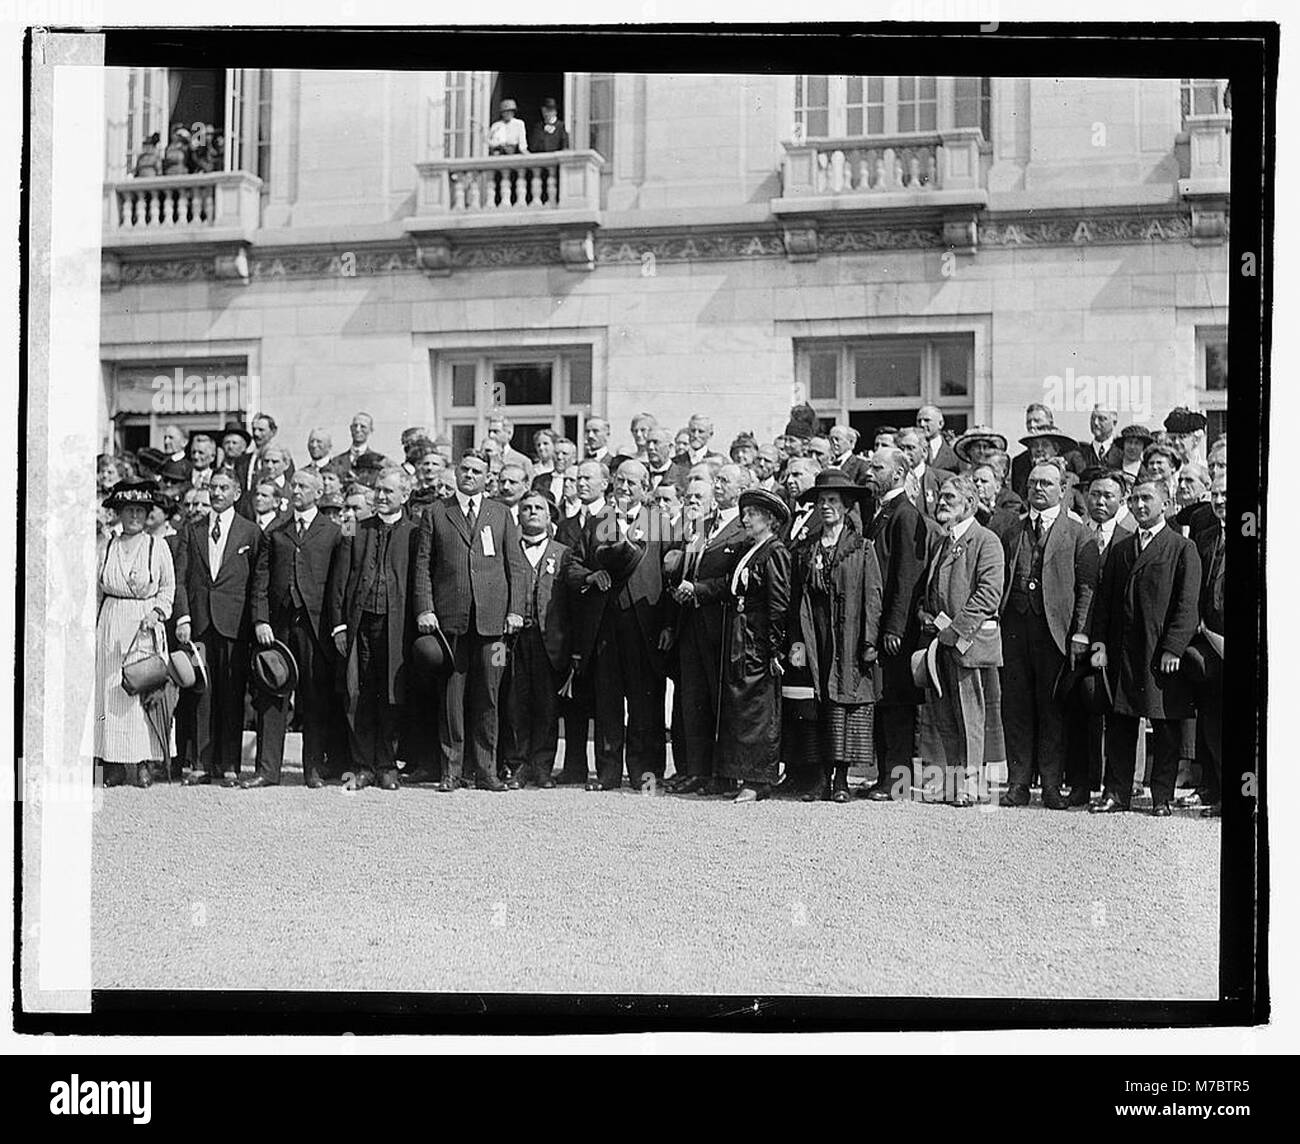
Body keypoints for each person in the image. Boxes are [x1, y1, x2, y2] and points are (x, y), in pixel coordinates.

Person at [413, 449, 526, 791]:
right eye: (464, 469)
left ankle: (486, 769)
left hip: (494, 627)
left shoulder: (501, 513)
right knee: (452, 694)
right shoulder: (436, 512)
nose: (469, 475)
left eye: (477, 471)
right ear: (455, 472)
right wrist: (425, 608)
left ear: (487, 477)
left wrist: (515, 610)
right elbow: (423, 566)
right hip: (451, 622)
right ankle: (452, 769)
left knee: (490, 694)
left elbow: (516, 566)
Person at [1089, 478, 1202, 816]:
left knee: (1164, 724)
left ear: (1165, 505)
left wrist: (1174, 648)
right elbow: (1105, 602)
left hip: (1159, 652)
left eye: (1147, 499)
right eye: (1135, 499)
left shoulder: (1181, 548)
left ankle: (1161, 797)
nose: (1139, 505)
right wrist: (1100, 645)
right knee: (1121, 722)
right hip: (1123, 650)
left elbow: (1188, 603)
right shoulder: (1122, 549)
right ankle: (1116, 793)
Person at [565, 460, 672, 791]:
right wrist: (590, 576)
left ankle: (647, 774)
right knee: (608, 703)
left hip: (645, 624)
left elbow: (671, 578)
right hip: (606, 626)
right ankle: (608, 774)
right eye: (620, 482)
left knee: (645, 703)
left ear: (646, 487)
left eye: (633, 483)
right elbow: (572, 563)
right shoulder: (599, 521)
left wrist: (668, 623)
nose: (625, 488)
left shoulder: (660, 524)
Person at [998, 460, 1099, 810]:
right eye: (1033, 483)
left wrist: (1080, 633)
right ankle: (1019, 783)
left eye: (1046, 483)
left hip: (1055, 631)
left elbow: (1087, 588)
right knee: (1016, 708)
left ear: (1063, 490)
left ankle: (1052, 785)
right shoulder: (1012, 529)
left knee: (1053, 708)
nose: (1038, 488)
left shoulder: (1077, 532)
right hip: (1015, 629)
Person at [788, 470, 884, 803]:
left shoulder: (861, 547)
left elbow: (873, 595)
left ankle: (841, 779)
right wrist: (796, 645)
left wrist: (870, 641)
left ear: (844, 506)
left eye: (832, 501)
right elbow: (795, 598)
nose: (826, 507)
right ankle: (818, 780)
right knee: (816, 703)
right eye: (821, 501)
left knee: (844, 704)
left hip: (848, 636)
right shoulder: (806, 548)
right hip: (814, 634)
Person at [246, 469, 345, 789]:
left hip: (315, 627)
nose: (296, 489)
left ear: (318, 493)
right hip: (278, 627)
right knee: (272, 694)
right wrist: (261, 619)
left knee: (315, 697)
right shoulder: (276, 531)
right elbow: (260, 581)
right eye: (295, 485)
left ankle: (313, 769)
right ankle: (267, 770)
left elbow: (337, 585)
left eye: (304, 486)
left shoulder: (332, 532)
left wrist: (335, 625)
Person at [329, 466, 422, 791]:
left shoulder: (415, 533)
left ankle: (386, 764)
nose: (382, 496)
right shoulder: (356, 529)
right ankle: (363, 765)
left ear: (405, 496)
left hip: (395, 627)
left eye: (389, 492)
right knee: (358, 693)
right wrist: (339, 625)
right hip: (358, 624)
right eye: (379, 490)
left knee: (391, 695)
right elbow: (339, 581)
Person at [917, 474, 1006, 807]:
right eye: (940, 497)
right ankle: (955, 782)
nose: (941, 503)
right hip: (941, 643)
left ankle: (971, 783)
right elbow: (933, 591)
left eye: (950, 498)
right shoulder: (941, 542)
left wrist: (955, 631)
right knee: (945, 714)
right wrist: (925, 615)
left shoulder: (985, 540)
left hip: (968, 643)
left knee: (971, 715)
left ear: (969, 504)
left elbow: (988, 595)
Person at [174, 470, 265, 786]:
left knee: (231, 692)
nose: (217, 493)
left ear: (237, 493)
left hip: (234, 622)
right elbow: (181, 578)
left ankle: (229, 764)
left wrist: (256, 621)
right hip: (200, 622)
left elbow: (257, 582)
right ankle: (200, 763)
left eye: (224, 488)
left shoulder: (250, 533)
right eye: (213, 487)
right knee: (202, 693)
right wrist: (184, 617)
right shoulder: (193, 530)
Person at [708, 488, 792, 802]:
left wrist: (774, 649)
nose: (745, 519)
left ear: (769, 519)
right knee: (740, 706)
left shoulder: (774, 552)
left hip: (757, 641)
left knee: (758, 709)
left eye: (752, 514)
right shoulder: (751, 548)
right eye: (744, 513)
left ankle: (757, 779)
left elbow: (779, 604)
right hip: (740, 638)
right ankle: (736, 772)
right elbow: (729, 587)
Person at [666, 473, 748, 794]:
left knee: (718, 700)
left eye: (724, 481)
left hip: (720, 624)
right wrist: (682, 588)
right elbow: (687, 564)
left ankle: (723, 773)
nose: (719, 484)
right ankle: (697, 770)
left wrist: (697, 589)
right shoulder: (703, 525)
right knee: (694, 699)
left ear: (740, 489)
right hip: (691, 623)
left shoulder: (743, 528)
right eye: (717, 480)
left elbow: (734, 578)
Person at [95, 480, 176, 788]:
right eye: (128, 510)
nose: (134, 517)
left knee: (142, 690)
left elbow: (168, 588)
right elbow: (97, 590)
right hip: (111, 621)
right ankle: (113, 764)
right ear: (119, 513)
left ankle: (144, 762)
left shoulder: (158, 546)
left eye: (140, 511)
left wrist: (156, 613)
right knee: (111, 691)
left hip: (144, 622)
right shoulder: (108, 545)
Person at [863, 446, 930, 800]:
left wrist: (894, 627)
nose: (871, 473)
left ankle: (897, 781)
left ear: (899, 473)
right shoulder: (882, 512)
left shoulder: (906, 514)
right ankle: (884, 776)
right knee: (884, 704)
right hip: (880, 626)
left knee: (898, 706)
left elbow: (908, 575)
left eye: (878, 468)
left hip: (896, 632)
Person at [501, 490, 572, 788]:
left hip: (548, 640)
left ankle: (542, 765)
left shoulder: (562, 552)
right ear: (518, 515)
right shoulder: (508, 549)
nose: (532, 512)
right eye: (526, 508)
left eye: (538, 508)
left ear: (548, 516)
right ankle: (517, 765)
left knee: (546, 703)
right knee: (514, 701)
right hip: (512, 640)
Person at [1177, 474, 1225, 817]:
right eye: (1217, 494)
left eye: (1228, 494)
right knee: (1212, 718)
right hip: (1209, 641)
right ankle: (1215, 788)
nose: (1221, 501)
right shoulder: (1206, 537)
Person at [328, 412, 388, 487]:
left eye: (363, 426)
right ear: (350, 429)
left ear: (371, 430)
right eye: (355, 426)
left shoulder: (379, 461)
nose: (358, 429)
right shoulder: (335, 462)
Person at [897, 427, 941, 519]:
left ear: (924, 452)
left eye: (910, 448)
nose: (904, 453)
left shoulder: (941, 479)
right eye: (901, 448)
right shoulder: (893, 480)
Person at [487, 413, 535, 479]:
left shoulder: (522, 461)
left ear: (509, 434)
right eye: (489, 431)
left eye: (496, 431)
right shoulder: (484, 457)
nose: (491, 435)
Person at [916, 406, 962, 473]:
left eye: (927, 420)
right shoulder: (911, 451)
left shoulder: (955, 453)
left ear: (940, 424)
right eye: (919, 421)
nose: (922, 424)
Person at [645, 427, 690, 494]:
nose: (650, 447)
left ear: (670, 447)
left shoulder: (685, 476)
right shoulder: (639, 472)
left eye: (655, 442)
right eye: (648, 443)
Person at [220, 421, 254, 490]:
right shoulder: (218, 469)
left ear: (243, 447)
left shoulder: (250, 470)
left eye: (234, 443)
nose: (230, 446)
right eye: (227, 442)